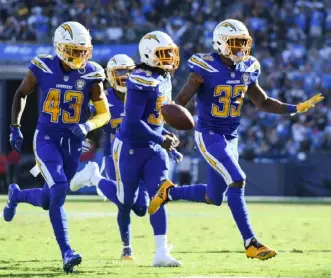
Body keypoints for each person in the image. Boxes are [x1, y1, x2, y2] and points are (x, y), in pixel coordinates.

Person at [148, 19, 324, 260]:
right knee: (238, 179)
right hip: (209, 134)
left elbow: (262, 102)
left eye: (244, 42)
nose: (241, 48)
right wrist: (168, 118)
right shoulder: (204, 66)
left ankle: (168, 192)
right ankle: (251, 242)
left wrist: (296, 107)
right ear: (221, 43)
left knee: (214, 196)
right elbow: (180, 102)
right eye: (236, 43)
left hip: (231, 137)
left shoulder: (249, 67)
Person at [3, 21, 110, 273]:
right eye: (74, 50)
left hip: (73, 141)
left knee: (48, 198)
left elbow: (104, 113)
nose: (80, 56)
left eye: (83, 50)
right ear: (60, 48)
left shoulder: (92, 73)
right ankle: (67, 252)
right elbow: (21, 93)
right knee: (60, 187)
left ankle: (16, 194)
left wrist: (87, 126)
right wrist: (15, 125)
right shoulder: (42, 66)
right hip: (47, 138)